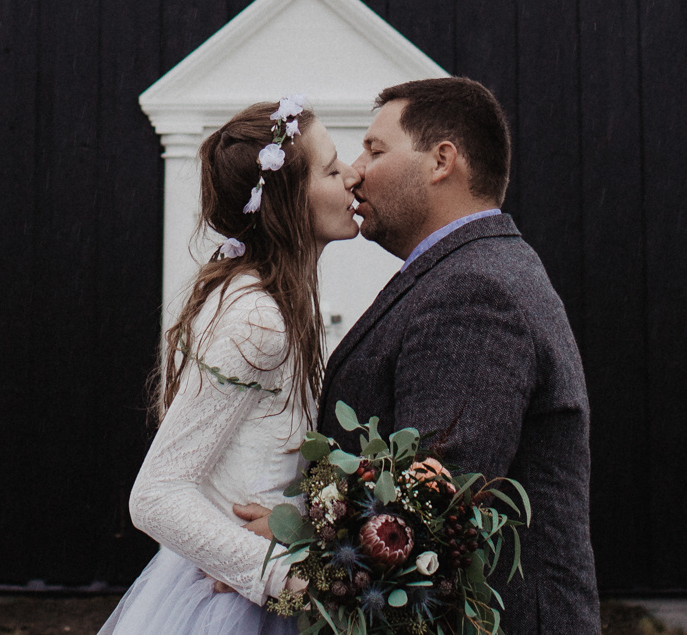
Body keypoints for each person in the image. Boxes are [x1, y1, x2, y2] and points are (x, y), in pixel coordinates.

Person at [236, 77, 600, 635]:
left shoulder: (476, 291)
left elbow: (425, 508)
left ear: (441, 160)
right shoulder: (468, 272)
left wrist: (286, 549)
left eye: (375, 150)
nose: (355, 171)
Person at [100, 97, 363, 635]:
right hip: (242, 607)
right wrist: (286, 578)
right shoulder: (258, 321)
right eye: (333, 168)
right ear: (288, 199)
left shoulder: (281, 302)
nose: (352, 176)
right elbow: (155, 496)